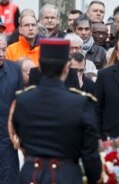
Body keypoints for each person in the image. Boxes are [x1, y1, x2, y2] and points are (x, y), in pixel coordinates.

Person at [8, 38, 102, 184]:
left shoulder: (22, 100)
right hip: (66, 176)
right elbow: (90, 153)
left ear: (40, 66)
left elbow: (21, 138)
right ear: (67, 67)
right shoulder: (80, 102)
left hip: (30, 175)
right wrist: (94, 177)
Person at [0, 34, 23, 183]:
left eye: (3, 49)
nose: (1, 54)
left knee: (9, 177)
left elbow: (20, 102)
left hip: (7, 137)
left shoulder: (14, 69)